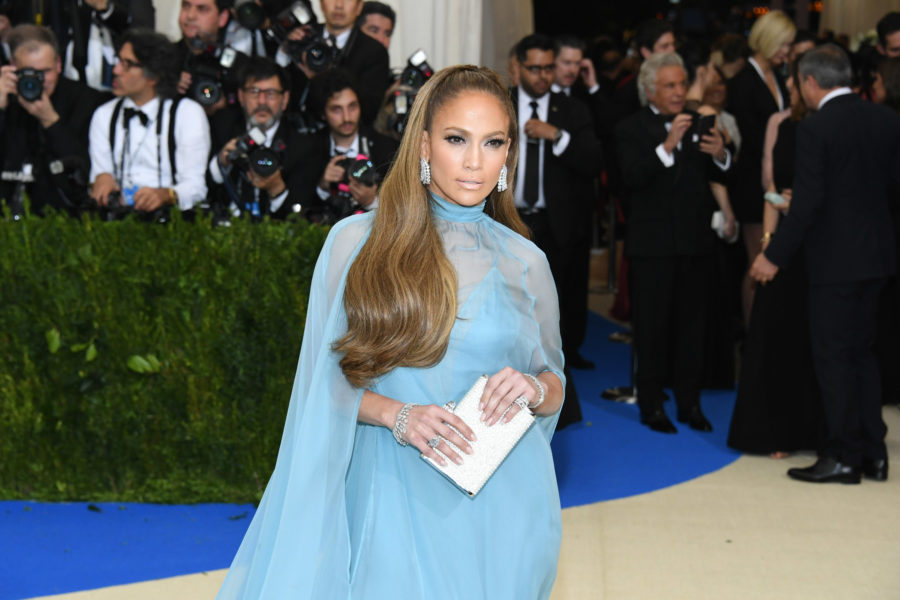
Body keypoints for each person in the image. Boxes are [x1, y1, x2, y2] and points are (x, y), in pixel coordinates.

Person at [215, 64, 565, 599]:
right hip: (393, 487)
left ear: (508, 155)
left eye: (493, 142)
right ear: (423, 146)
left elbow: (554, 378)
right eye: (456, 139)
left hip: (507, 502)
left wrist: (537, 388)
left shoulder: (527, 260)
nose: (474, 161)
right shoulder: (355, 242)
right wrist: (397, 415)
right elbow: (322, 383)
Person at [750, 44, 900, 483]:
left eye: (797, 83)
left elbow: (810, 205)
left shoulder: (818, 129)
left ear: (812, 83)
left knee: (834, 359)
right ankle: (873, 452)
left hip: (835, 263)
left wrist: (772, 257)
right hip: (877, 258)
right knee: (864, 356)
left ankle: (841, 456)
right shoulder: (887, 119)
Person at [615, 51, 731, 434]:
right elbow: (630, 179)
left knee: (692, 329)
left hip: (696, 244)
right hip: (652, 246)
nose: (680, 91)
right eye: (670, 85)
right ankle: (651, 405)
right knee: (651, 329)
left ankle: (690, 404)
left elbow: (720, 175)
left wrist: (722, 154)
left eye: (682, 83)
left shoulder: (701, 124)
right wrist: (667, 145)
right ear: (650, 91)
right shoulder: (631, 128)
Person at [728, 56, 823, 457]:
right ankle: (773, 434)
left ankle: (809, 433)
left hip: (818, 245)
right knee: (772, 337)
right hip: (782, 243)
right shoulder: (779, 124)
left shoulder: (827, 127)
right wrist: (766, 243)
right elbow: (771, 188)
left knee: (811, 339)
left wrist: (799, 205)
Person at [512, 33, 602, 427]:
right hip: (507, 220)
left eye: (549, 67)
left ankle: (554, 399)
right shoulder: (498, 104)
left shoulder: (573, 109)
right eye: (535, 68)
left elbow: (595, 160)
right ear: (517, 67)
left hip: (557, 224)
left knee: (553, 312)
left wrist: (557, 136)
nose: (544, 75)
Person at [89, 29, 211, 215]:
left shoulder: (187, 114)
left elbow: (196, 186)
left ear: (153, 76)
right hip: (118, 222)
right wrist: (102, 177)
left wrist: (167, 195)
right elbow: (100, 172)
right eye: (118, 61)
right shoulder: (104, 115)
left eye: (127, 64)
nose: (116, 70)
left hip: (173, 222)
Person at [727, 9, 795, 328]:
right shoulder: (743, 81)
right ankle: (753, 333)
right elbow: (753, 139)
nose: (787, 52)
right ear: (768, 40)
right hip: (753, 187)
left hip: (774, 184)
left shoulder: (778, 77)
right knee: (757, 260)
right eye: (783, 44)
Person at [0, 24, 105, 216]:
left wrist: (51, 121)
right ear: (12, 67)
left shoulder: (86, 101)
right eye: (29, 73)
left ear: (58, 64)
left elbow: (87, 172)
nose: (38, 82)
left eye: (45, 72)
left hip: (64, 217)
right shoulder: (6, 96)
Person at [208, 57, 308, 220]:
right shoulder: (222, 126)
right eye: (254, 92)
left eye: (271, 94)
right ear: (240, 96)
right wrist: (221, 163)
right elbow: (203, 189)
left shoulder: (302, 146)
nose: (262, 102)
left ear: (285, 99)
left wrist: (276, 188)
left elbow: (301, 218)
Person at [294, 68, 398, 222]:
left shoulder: (386, 148)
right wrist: (323, 187)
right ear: (323, 113)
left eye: (352, 106)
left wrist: (372, 202)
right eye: (337, 110)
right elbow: (296, 210)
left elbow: (404, 211)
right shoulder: (308, 148)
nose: (347, 117)